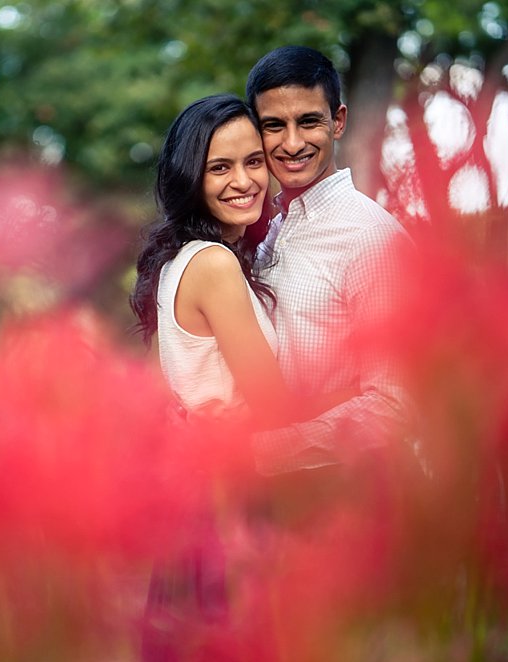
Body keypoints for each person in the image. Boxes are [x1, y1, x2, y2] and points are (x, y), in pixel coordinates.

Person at [243, 45, 409, 477]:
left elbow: (393, 405)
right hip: (263, 504)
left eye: (309, 121)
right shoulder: (265, 229)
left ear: (338, 122)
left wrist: (261, 452)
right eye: (273, 126)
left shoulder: (372, 237)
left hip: (344, 498)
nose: (292, 143)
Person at [130, 94, 291, 422]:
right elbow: (275, 407)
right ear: (190, 178)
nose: (244, 181)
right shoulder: (213, 263)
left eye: (254, 161)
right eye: (220, 167)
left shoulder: (183, 258)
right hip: (233, 469)